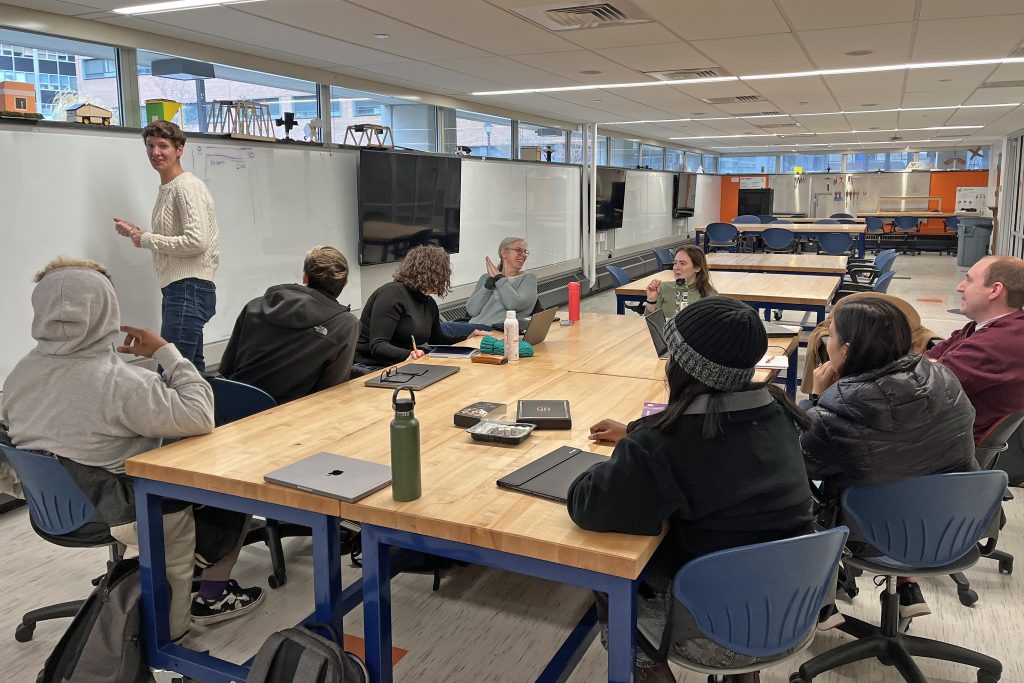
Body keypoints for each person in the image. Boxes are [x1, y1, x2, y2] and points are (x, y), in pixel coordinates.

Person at [1, 258, 262, 642]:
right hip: (119, 511)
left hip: (52, 507)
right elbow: (200, 415)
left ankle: (136, 578)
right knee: (225, 489)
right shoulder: (122, 382)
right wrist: (166, 353)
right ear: (106, 309)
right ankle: (172, 633)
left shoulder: (20, 373)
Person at [569, 297, 814, 683]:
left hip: (715, 627)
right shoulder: (780, 410)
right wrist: (637, 430)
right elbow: (705, 443)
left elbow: (590, 506)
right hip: (793, 604)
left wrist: (625, 452)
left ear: (681, 365)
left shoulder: (661, 446)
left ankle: (649, 670)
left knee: (609, 574)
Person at [802, 298, 977, 622]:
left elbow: (801, 464)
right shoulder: (944, 377)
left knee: (788, 491)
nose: (827, 340)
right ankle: (907, 585)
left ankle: (820, 598)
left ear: (847, 349)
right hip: (954, 524)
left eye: (832, 335)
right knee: (900, 476)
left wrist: (817, 399)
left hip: (873, 534)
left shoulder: (836, 412)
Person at [113, 120, 220, 372]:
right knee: (190, 371)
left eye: (163, 146)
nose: (155, 153)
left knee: (172, 373)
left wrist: (145, 238)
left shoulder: (186, 187)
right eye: (150, 146)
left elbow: (197, 241)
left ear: (179, 149)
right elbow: (176, 238)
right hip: (180, 289)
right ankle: (208, 413)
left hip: (188, 289)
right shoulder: (169, 188)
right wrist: (138, 234)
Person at [219, 245, 359, 404]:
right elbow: (332, 392)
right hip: (290, 419)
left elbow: (226, 369)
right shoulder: (345, 325)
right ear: (345, 282)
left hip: (231, 409)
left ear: (305, 277)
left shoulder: (254, 306)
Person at [927, 255, 1024, 443]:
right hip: (943, 431)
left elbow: (923, 384)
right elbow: (928, 361)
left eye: (969, 280)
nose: (959, 287)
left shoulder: (1000, 342)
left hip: (951, 447)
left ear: (995, 290)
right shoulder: (980, 327)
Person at [354, 245, 487, 371]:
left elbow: (437, 340)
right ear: (433, 274)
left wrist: (468, 338)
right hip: (370, 365)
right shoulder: (392, 294)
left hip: (404, 363)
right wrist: (410, 354)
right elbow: (378, 346)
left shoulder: (429, 303)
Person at [442, 237, 538, 339]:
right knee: (439, 333)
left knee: (444, 328)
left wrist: (500, 279)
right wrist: (489, 283)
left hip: (496, 329)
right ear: (504, 253)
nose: (523, 255)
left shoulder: (528, 278)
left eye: (525, 252)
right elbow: (472, 310)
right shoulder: (485, 278)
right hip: (474, 326)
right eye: (518, 250)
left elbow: (514, 305)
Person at [644, 246, 717, 318]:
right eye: (675, 263)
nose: (676, 268)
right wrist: (651, 300)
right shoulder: (663, 288)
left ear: (697, 268)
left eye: (682, 263)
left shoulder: (710, 295)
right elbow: (650, 322)